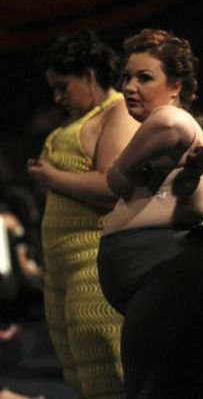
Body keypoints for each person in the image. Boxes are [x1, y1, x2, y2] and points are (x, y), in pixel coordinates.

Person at [96, 28, 203, 399]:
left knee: (154, 388)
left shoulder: (169, 120)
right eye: (126, 77)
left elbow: (114, 180)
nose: (129, 87)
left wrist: (125, 168)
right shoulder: (184, 134)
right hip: (170, 278)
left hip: (171, 277)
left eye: (144, 78)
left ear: (176, 86)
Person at [28, 29, 139, 399]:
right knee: (82, 378)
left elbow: (111, 185)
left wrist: (52, 177)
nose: (58, 97)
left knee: (108, 374)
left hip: (92, 268)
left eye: (63, 86)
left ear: (89, 75)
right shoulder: (83, 116)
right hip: (63, 270)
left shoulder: (116, 111)